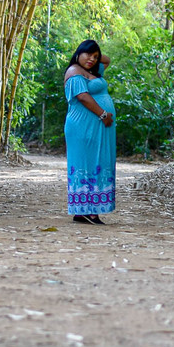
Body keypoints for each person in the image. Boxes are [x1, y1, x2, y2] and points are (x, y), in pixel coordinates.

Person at [63, 39, 116, 225]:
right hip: (82, 126)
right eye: (88, 54)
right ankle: (89, 211)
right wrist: (103, 114)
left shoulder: (92, 71)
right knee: (86, 162)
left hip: (98, 126)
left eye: (95, 56)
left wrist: (93, 55)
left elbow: (107, 60)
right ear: (78, 53)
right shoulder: (74, 71)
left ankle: (84, 212)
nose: (92, 59)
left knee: (98, 160)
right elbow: (83, 97)